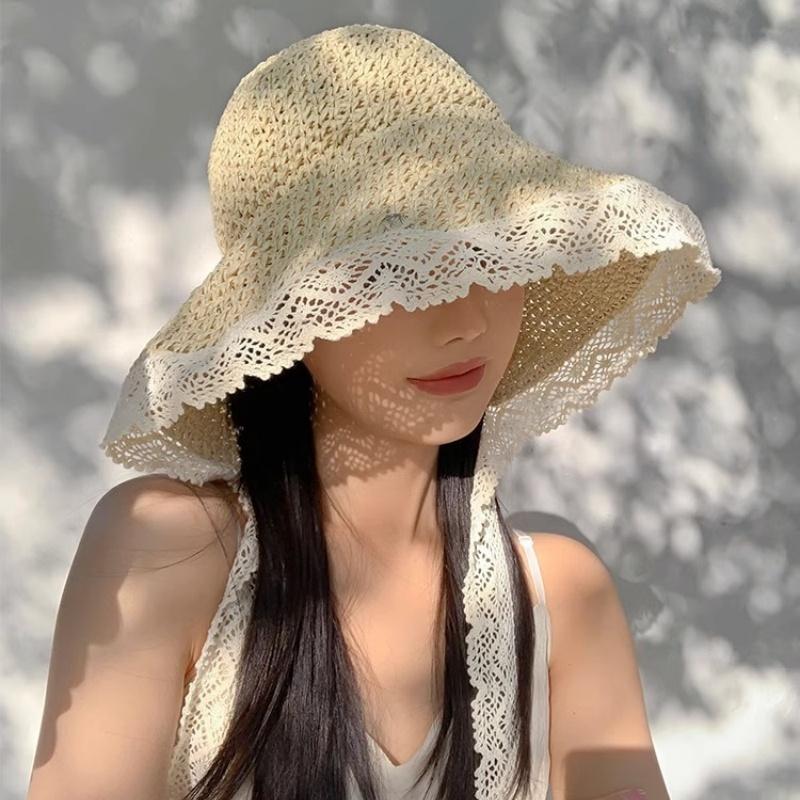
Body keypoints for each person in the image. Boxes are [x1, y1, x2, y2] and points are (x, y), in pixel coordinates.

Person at [27, 23, 720, 800]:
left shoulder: (561, 593)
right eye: (399, 269)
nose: (464, 318)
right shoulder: (170, 550)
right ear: (288, 307)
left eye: (488, 252)